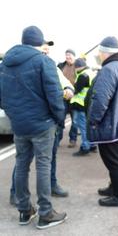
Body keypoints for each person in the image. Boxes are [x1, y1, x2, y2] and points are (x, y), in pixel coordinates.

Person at [0, 26, 67, 229]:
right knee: (43, 166)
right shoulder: (43, 61)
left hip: (19, 125)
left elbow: (2, 98)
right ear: (39, 43)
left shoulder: (5, 64)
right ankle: (45, 213)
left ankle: (24, 211)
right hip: (42, 124)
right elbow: (55, 96)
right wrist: (58, 118)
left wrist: (14, 115)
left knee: (21, 165)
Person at [9, 41, 73, 204]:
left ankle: (47, 188)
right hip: (42, 122)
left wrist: (68, 90)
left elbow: (65, 84)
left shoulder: (50, 65)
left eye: (48, 47)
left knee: (42, 159)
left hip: (42, 122)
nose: (46, 49)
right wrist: (59, 117)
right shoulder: (23, 65)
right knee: (32, 162)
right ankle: (39, 207)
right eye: (43, 46)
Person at [87, 36, 118, 207]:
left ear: (104, 53)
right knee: (116, 159)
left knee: (113, 162)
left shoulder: (109, 69)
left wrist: (93, 121)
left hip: (111, 125)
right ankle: (113, 187)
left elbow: (100, 100)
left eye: (99, 53)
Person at [71, 58, 96, 156]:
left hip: (81, 104)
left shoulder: (82, 75)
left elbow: (76, 90)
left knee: (83, 127)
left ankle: (85, 147)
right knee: (89, 126)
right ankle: (93, 144)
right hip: (89, 104)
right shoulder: (91, 72)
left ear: (77, 67)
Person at [57, 49, 78, 148]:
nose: (68, 57)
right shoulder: (60, 66)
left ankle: (72, 139)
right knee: (60, 118)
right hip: (63, 97)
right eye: (66, 55)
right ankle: (57, 138)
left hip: (75, 97)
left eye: (70, 55)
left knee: (75, 120)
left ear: (74, 56)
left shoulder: (78, 66)